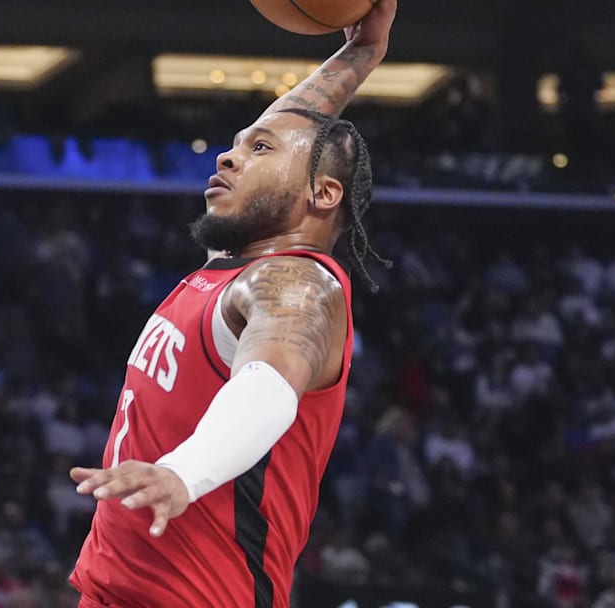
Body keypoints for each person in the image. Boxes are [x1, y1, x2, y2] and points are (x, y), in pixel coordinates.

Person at [67, 2, 397, 607]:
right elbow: (298, 125)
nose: (227, 157)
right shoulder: (233, 268)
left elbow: (266, 388)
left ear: (322, 193)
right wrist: (358, 55)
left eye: (259, 150)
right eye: (237, 145)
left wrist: (184, 472)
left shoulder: (297, 285)